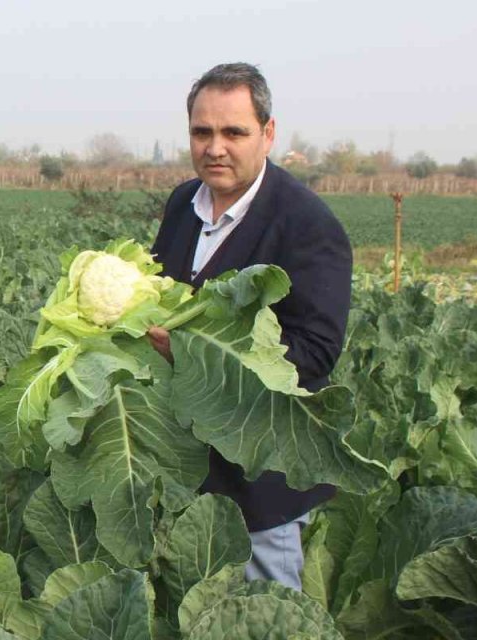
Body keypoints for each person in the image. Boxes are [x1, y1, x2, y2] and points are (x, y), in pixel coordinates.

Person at [147, 62, 353, 590]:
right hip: (187, 467)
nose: (215, 147)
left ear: (267, 133)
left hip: (261, 480)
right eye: (202, 132)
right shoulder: (182, 205)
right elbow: (161, 292)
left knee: (265, 617)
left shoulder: (307, 224)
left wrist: (196, 351)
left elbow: (315, 351)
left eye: (233, 132)